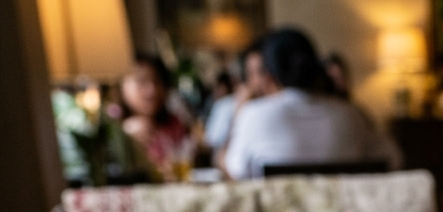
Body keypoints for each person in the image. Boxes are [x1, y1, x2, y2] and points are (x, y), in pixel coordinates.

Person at [224, 29, 399, 180]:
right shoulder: (351, 115)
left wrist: (238, 115)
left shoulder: (253, 114)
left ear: (269, 77)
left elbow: (236, 170)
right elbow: (393, 159)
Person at [120, 55, 193, 181]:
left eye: (157, 81)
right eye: (141, 81)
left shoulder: (176, 125)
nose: (152, 90)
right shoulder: (113, 129)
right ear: (122, 84)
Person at [203, 41, 266, 153]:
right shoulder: (228, 105)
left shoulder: (248, 110)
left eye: (262, 72)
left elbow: (227, 159)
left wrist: (238, 114)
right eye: (250, 74)